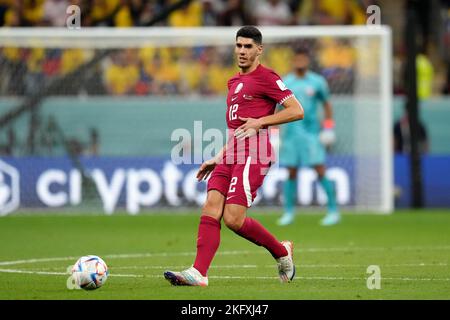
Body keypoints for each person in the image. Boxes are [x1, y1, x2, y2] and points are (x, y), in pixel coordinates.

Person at [164, 26, 304, 286]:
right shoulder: (233, 81)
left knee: (233, 219)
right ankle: (199, 272)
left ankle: (282, 252)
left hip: (255, 153)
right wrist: (218, 155)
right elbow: (237, 130)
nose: (242, 51)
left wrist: (261, 122)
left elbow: (297, 110)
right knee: (211, 206)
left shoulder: (268, 78)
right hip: (231, 153)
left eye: (248, 46)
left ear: (259, 49)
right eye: (239, 45)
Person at [277, 47, 340, 227]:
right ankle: (289, 213)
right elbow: (277, 108)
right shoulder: (285, 82)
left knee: (319, 169)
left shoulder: (317, 81)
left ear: (307, 61)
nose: (300, 62)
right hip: (290, 134)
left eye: (303, 59)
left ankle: (333, 211)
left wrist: (328, 128)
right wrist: (274, 132)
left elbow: (327, 105)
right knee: (290, 171)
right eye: (297, 59)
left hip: (311, 133)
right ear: (293, 61)